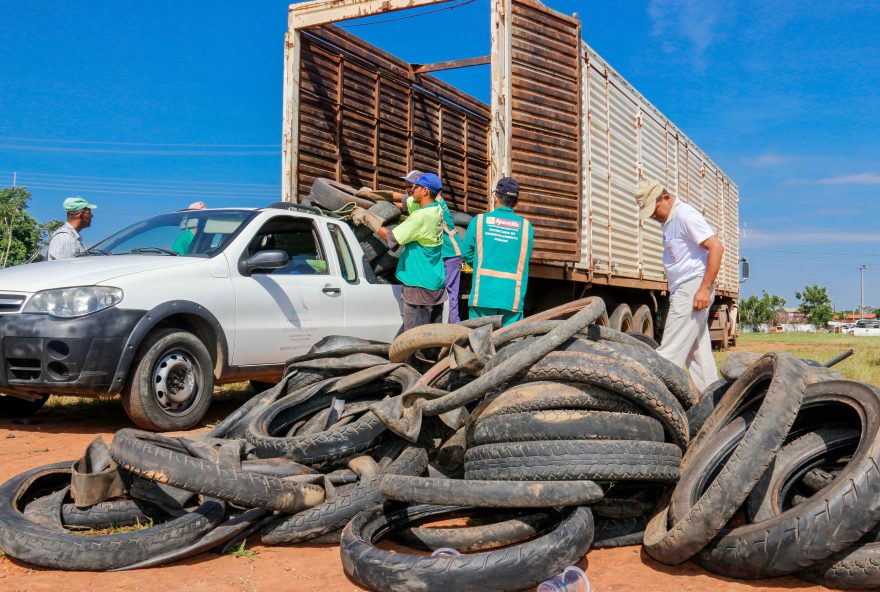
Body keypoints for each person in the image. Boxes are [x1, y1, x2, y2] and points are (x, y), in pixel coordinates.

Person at [635, 179, 724, 392]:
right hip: (685, 287)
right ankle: (712, 401)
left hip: (691, 287)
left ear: (665, 197)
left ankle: (645, 399)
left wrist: (704, 288)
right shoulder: (669, 221)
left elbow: (716, 247)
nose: (653, 216)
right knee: (698, 353)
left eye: (653, 209)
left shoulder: (685, 215)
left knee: (670, 353)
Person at [353, 173, 446, 331]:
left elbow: (391, 237)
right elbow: (402, 202)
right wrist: (372, 194)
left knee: (413, 340)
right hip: (435, 283)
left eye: (415, 187)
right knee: (431, 337)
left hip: (419, 286)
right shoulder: (436, 209)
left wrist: (367, 217)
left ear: (425, 191)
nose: (411, 190)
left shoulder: (420, 217)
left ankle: (413, 357)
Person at [461, 176, 533, 326]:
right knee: (512, 345)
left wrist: (481, 265)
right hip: (512, 296)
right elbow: (524, 259)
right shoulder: (526, 227)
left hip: (483, 294)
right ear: (517, 202)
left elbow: (466, 253)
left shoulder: (479, 221)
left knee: (479, 344)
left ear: (495, 198)